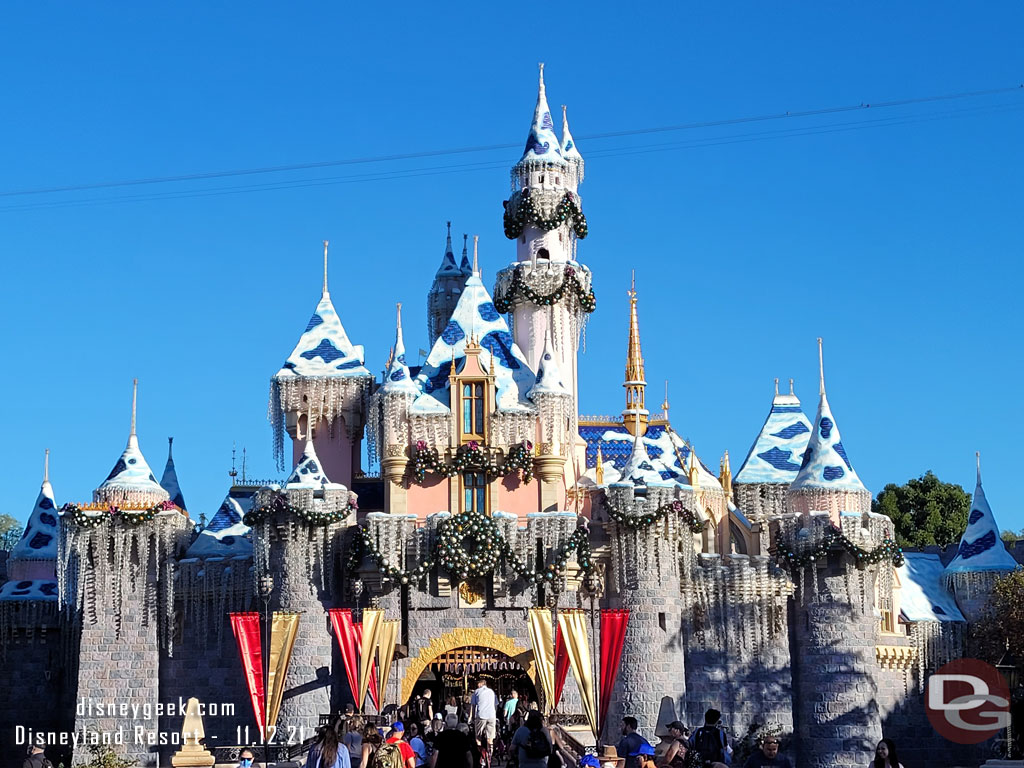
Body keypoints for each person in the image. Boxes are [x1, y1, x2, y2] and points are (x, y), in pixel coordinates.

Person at [470, 678, 498, 760]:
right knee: (490, 738)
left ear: (481, 684)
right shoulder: (492, 692)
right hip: (491, 715)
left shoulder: (476, 692)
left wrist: (471, 717)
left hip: (481, 715)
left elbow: (473, 705)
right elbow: (495, 705)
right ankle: (490, 755)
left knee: (478, 736)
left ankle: (480, 756)